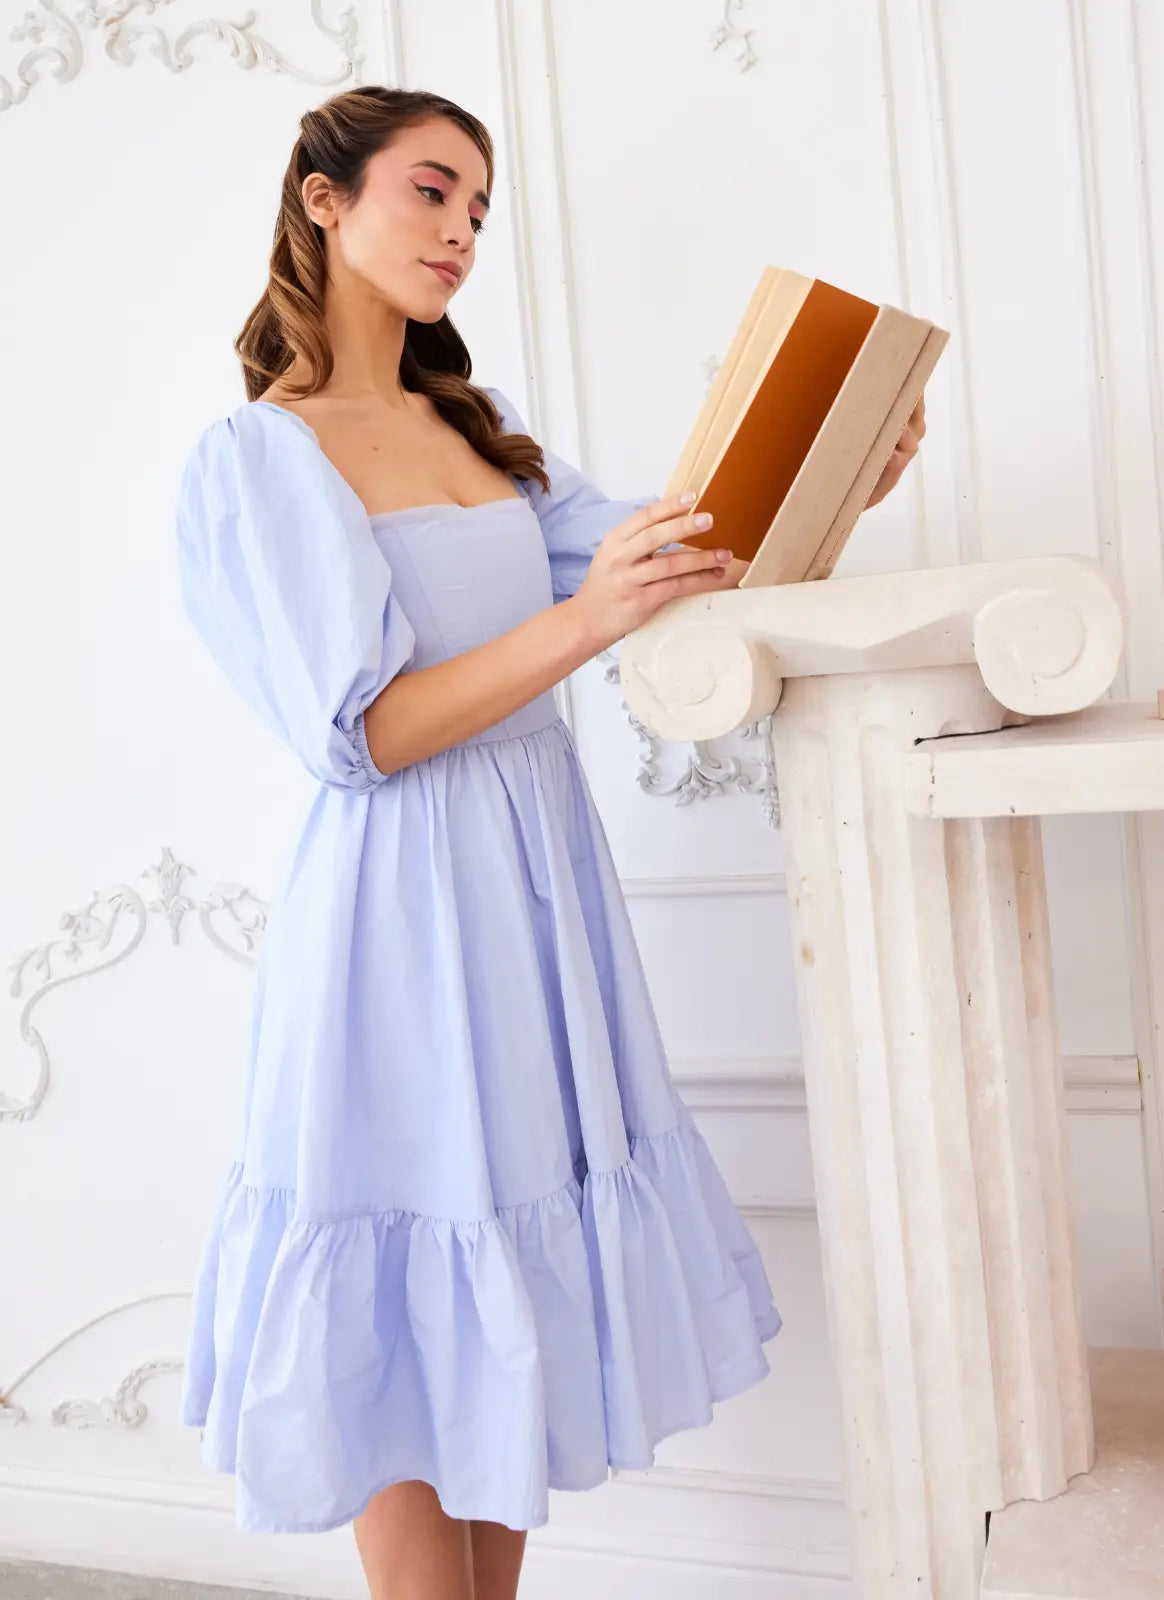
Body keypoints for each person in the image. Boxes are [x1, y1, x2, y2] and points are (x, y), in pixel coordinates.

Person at [173, 84, 923, 1600]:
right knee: (403, 1276)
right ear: (324, 198)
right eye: (432, 192)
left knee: (503, 1281)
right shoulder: (265, 455)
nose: (460, 232)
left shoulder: (472, 429)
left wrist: (845, 467)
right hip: (395, 917)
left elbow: (682, 556)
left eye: (479, 211)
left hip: (530, 900)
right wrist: (581, 623)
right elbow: (362, 731)